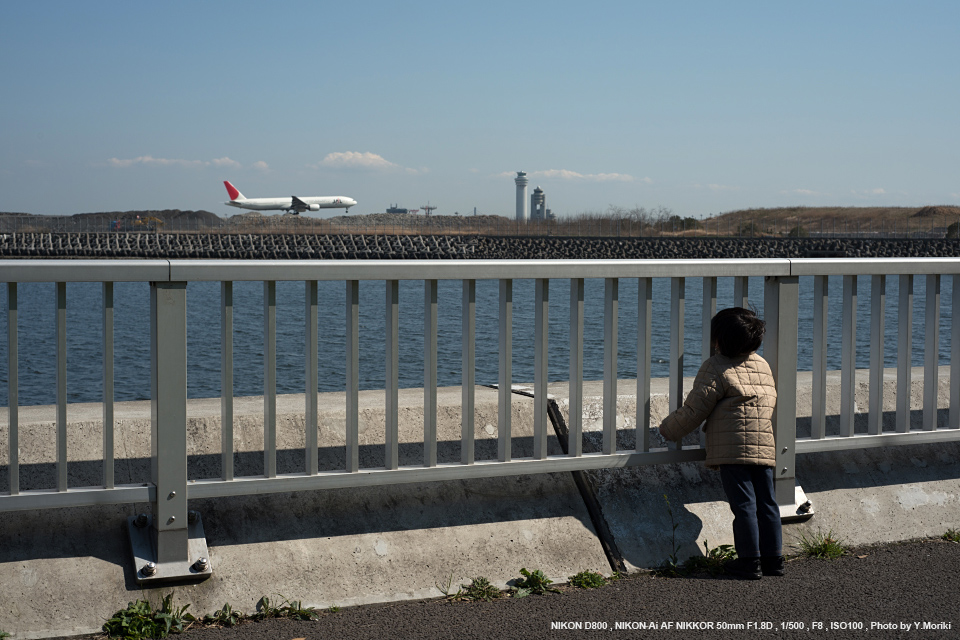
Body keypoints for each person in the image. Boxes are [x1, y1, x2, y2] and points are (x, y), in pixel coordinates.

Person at [658, 307, 783, 580]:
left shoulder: (716, 366)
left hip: (733, 448)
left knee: (744, 506)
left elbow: (695, 409)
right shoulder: (761, 364)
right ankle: (774, 559)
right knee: (767, 504)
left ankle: (749, 562)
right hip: (763, 444)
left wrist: (668, 430)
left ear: (719, 340)